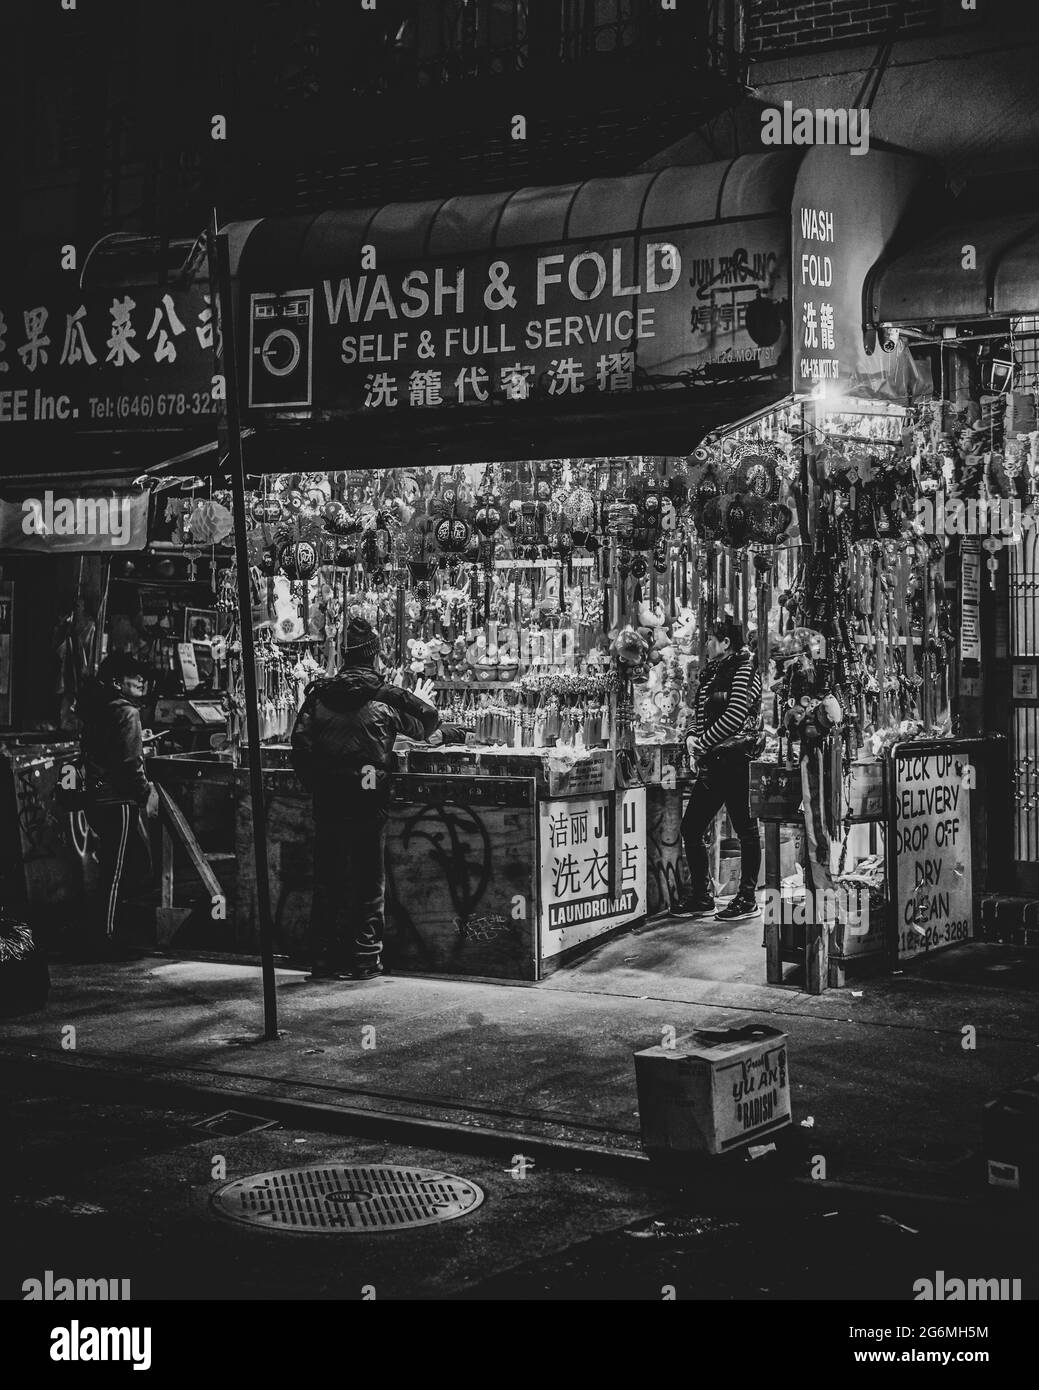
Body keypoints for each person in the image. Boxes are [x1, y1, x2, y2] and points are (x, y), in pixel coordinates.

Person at [290, 617, 454, 982]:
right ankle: (364, 958)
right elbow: (428, 718)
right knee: (368, 878)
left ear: (343, 656)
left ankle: (323, 958)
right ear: (374, 655)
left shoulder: (318, 696)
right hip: (368, 800)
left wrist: (318, 784)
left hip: (328, 800)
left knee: (328, 878)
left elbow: (298, 747)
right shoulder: (386, 695)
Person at [674, 618, 764, 922]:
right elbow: (695, 712)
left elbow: (736, 715)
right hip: (713, 764)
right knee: (691, 828)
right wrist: (691, 739)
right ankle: (702, 895)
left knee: (746, 831)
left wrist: (703, 744)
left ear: (725, 642)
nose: (707, 643)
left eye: (711, 638)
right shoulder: (711, 673)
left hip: (736, 763)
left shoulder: (744, 669)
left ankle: (747, 897)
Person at [77, 652, 159, 958]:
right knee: (114, 872)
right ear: (115, 681)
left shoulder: (97, 708)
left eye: (140, 675)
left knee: (121, 867)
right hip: (116, 799)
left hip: (96, 795)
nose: (140, 680)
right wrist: (144, 792)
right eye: (132, 675)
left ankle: (109, 930)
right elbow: (128, 763)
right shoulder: (126, 711)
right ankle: (104, 939)